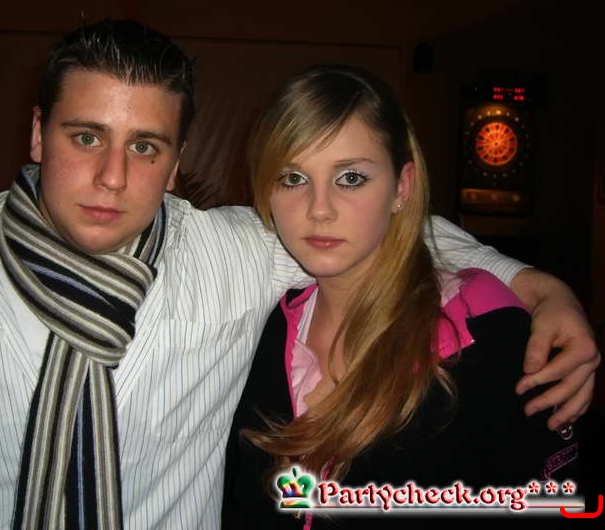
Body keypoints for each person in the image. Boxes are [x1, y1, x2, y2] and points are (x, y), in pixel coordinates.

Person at [0, 20, 598, 530]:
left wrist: (534, 285)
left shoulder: (230, 255)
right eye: (86, 136)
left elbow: (374, 227)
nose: (112, 176)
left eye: (145, 147)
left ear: (178, 161)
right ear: (39, 133)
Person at [222, 65, 589, 528]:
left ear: (402, 185)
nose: (319, 209)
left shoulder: (487, 331)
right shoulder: (262, 328)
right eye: (293, 178)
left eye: (350, 178)